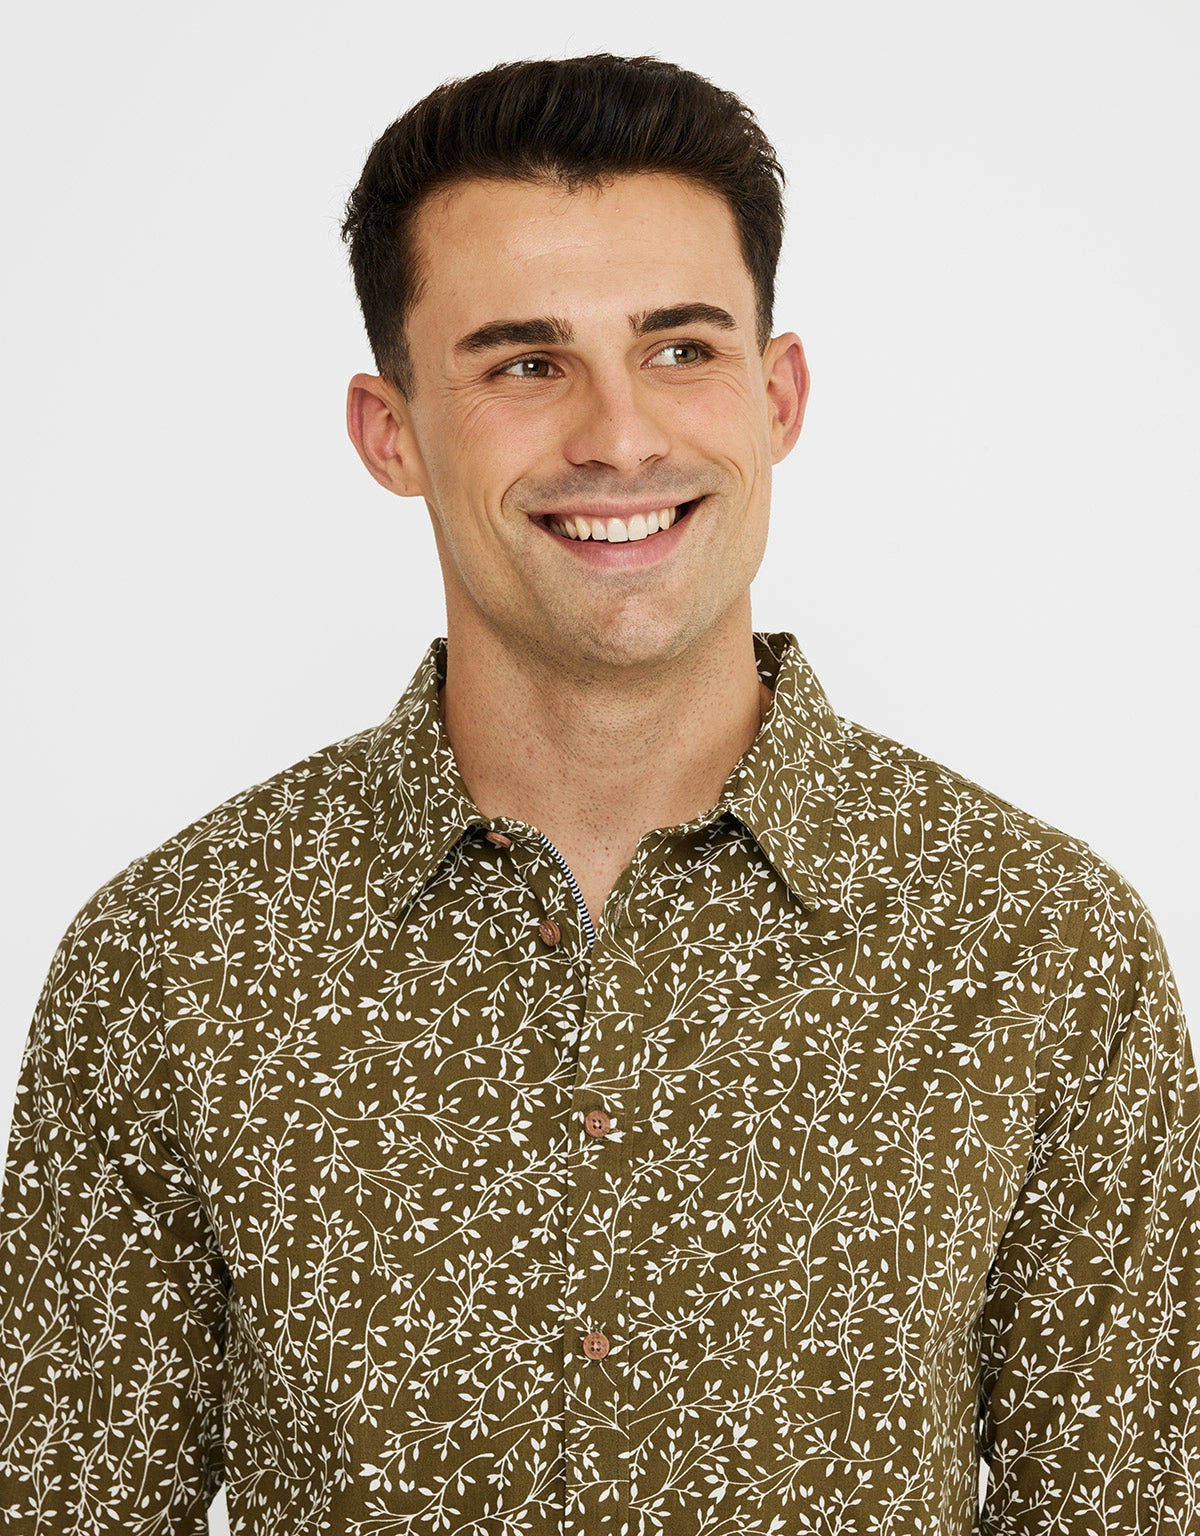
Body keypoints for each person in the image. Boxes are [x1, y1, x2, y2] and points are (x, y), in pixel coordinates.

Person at [1, 52, 1196, 1536]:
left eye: (681, 349)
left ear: (779, 394)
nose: (620, 437)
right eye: (525, 364)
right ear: (390, 432)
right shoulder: (173, 963)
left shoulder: (1042, 953)